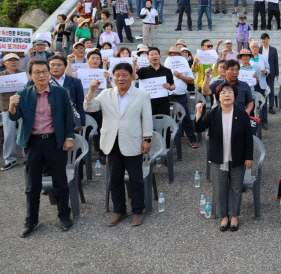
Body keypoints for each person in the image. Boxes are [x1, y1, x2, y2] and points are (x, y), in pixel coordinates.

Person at [10, 60, 75, 237]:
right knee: (32, 185)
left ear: (49, 73)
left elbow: (68, 116)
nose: (41, 75)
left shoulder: (60, 92)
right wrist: (12, 105)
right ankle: (31, 220)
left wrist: (69, 137)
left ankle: (64, 216)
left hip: (55, 141)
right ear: (30, 75)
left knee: (60, 182)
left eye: (44, 72)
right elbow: (14, 117)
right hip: (33, 143)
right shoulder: (24, 93)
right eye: (37, 72)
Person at [84, 62, 153, 227]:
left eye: (124, 75)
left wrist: (147, 139)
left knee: (136, 179)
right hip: (111, 142)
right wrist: (92, 90)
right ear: (113, 77)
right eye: (117, 75)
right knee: (115, 179)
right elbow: (89, 107)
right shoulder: (106, 94)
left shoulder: (142, 95)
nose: (120, 79)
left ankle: (137, 210)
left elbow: (147, 118)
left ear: (131, 76)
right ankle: (119, 210)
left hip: (133, 141)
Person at [195, 82, 253, 231]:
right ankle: (223, 216)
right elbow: (199, 128)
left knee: (236, 188)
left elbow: (248, 138)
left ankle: (234, 215)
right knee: (220, 188)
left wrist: (249, 157)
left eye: (230, 92)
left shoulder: (242, 114)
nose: (226, 95)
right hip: (218, 158)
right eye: (223, 93)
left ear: (235, 96)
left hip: (238, 158)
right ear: (218, 97)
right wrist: (198, 113)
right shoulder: (213, 113)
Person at [164, 47, 199, 148]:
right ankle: (172, 140)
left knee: (186, 118)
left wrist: (180, 76)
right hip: (168, 96)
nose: (174, 56)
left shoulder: (185, 66)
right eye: (171, 54)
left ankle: (192, 139)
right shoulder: (166, 66)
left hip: (181, 96)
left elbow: (191, 81)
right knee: (169, 119)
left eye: (176, 54)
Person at [0, 54, 24, 171]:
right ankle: (10, 159)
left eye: (16, 60)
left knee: (25, 131)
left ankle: (27, 157)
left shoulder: (24, 74)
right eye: (10, 61)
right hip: (6, 108)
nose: (13, 63)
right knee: (9, 134)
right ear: (4, 63)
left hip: (23, 108)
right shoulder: (1, 75)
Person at [136, 47, 175, 117]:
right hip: (147, 104)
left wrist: (169, 86)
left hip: (163, 104)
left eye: (156, 54)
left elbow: (173, 86)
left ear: (160, 57)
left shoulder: (167, 70)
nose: (154, 56)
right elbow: (134, 77)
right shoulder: (143, 70)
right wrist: (133, 64)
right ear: (148, 58)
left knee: (164, 125)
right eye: (151, 55)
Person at [259, 33, 279, 115]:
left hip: (271, 73)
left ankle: (271, 107)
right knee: (261, 90)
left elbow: (276, 62)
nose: (264, 40)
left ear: (268, 39)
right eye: (262, 39)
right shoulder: (259, 49)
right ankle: (261, 106)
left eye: (265, 38)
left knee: (271, 90)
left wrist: (277, 73)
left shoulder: (273, 49)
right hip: (261, 73)